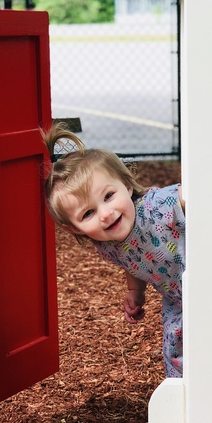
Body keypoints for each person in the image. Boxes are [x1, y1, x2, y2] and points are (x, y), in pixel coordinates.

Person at [42, 124, 185, 378]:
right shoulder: (107, 245)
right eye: (88, 213)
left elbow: (188, 196)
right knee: (176, 350)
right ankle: (186, 400)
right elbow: (132, 261)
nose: (105, 214)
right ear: (74, 228)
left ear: (126, 185)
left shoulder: (155, 208)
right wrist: (135, 291)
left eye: (108, 196)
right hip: (179, 300)